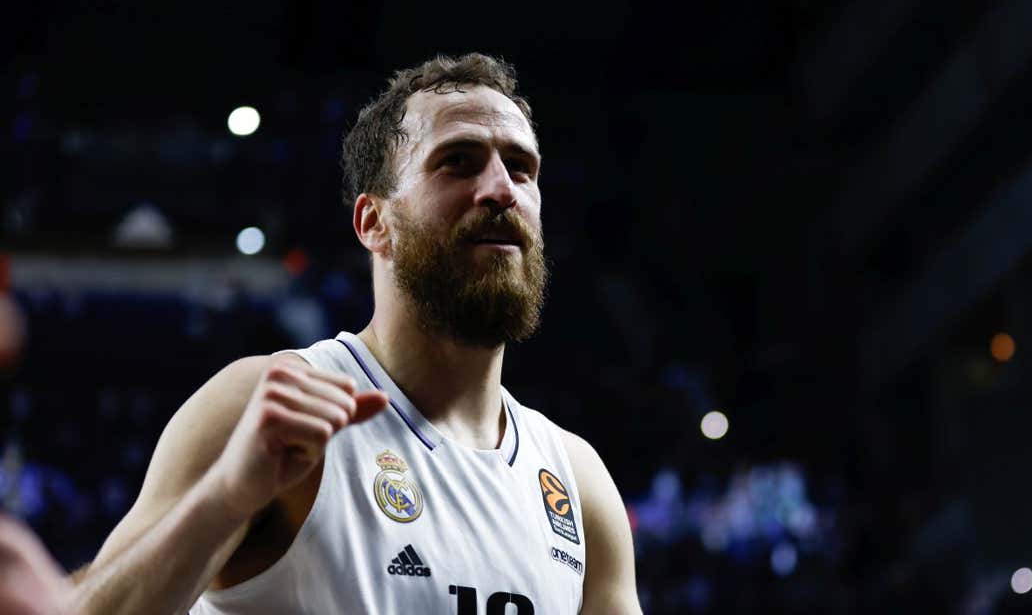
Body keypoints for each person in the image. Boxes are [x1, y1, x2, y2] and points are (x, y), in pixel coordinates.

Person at [68, 53, 640, 614]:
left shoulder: (576, 481)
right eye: (458, 162)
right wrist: (225, 499)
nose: (500, 189)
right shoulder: (267, 403)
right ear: (374, 223)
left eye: (520, 167)